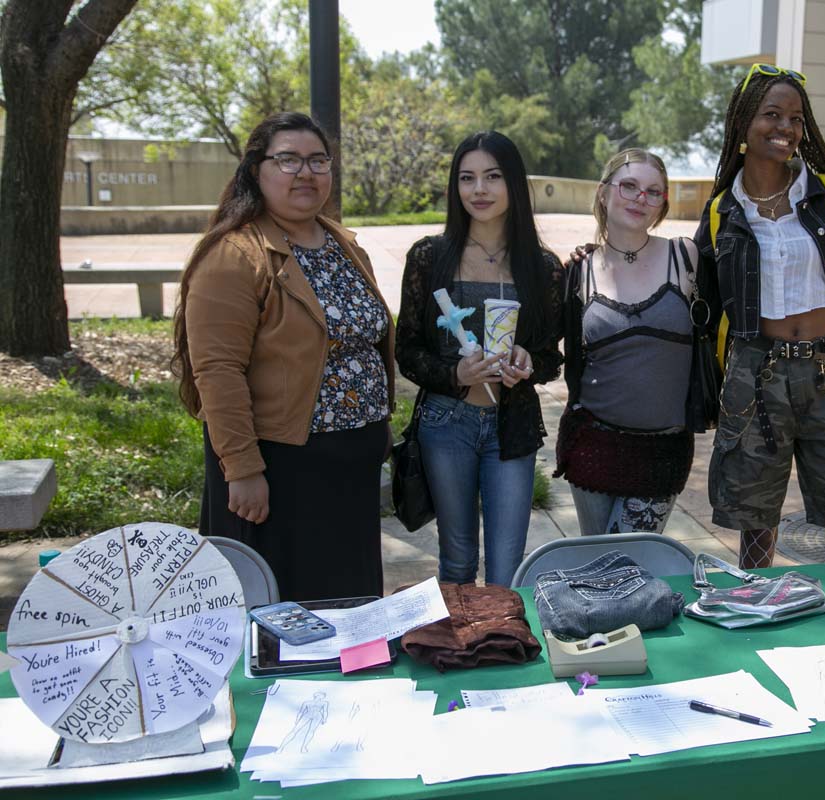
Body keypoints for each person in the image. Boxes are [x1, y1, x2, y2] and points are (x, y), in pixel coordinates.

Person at [174, 112, 395, 601]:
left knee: (347, 608)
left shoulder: (343, 244)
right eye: (288, 160)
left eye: (318, 160)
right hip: (278, 471)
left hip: (347, 473)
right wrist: (244, 470)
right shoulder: (235, 255)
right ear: (257, 171)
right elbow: (216, 371)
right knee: (283, 616)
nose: (306, 173)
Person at [695, 63, 825, 569]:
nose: (785, 128)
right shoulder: (722, 213)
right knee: (756, 526)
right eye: (772, 114)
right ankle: (756, 618)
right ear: (743, 124)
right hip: (755, 376)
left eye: (796, 119)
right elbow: (699, 306)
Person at [395, 131, 563, 587]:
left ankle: (503, 649)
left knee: (508, 570)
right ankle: (459, 651)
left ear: (513, 184)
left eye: (493, 176)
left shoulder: (543, 267)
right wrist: (455, 372)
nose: (479, 190)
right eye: (467, 178)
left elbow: (552, 356)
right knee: (457, 561)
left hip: (512, 425)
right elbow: (406, 349)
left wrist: (529, 362)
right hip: (446, 423)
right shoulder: (430, 257)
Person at [557, 149, 698, 535]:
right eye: (630, 186)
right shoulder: (578, 272)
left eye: (654, 192)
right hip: (591, 444)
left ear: (662, 204)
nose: (641, 198)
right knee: (598, 564)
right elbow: (541, 344)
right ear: (604, 193)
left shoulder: (687, 258)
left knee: (628, 563)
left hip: (662, 451)